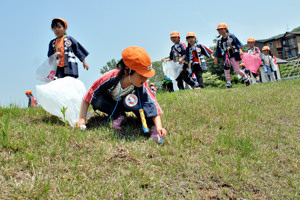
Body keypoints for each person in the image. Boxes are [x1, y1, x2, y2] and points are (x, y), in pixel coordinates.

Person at [76, 47, 167, 142]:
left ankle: (151, 127)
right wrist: (82, 118)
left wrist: (158, 126)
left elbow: (152, 104)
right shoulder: (110, 77)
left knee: (136, 101)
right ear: (127, 71)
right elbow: (90, 94)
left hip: (128, 103)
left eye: (146, 77)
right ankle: (118, 115)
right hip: (112, 103)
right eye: (141, 76)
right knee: (97, 100)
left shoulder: (142, 84)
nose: (145, 79)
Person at [214, 23, 250, 88]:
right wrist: (216, 57)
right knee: (226, 69)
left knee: (237, 70)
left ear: (225, 29)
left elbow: (237, 44)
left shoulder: (231, 36)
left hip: (234, 55)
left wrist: (240, 50)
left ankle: (245, 78)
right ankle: (228, 83)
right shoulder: (220, 41)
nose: (220, 31)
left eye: (221, 29)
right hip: (226, 57)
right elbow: (218, 50)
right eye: (218, 30)